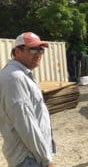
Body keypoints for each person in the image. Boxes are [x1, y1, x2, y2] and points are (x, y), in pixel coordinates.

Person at [0, 32, 55, 167]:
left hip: (33, 157)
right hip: (29, 158)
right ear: (17, 52)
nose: (38, 54)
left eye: (40, 49)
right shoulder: (14, 78)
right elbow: (26, 124)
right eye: (33, 49)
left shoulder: (24, 75)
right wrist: (46, 160)